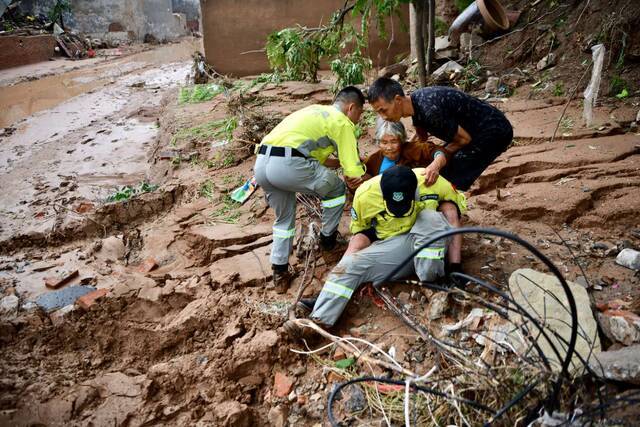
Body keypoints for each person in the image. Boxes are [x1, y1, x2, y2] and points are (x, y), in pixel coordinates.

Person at [285, 165, 465, 331]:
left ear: (416, 193)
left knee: (431, 217)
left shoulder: (431, 182)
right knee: (352, 264)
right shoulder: (366, 195)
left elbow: (453, 215)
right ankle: (319, 321)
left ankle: (432, 279)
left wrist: (455, 267)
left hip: (432, 240)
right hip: (397, 245)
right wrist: (345, 267)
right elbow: (361, 236)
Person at [367, 77, 514, 274]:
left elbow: (464, 139)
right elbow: (421, 137)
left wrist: (436, 163)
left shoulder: (430, 110)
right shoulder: (415, 104)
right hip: (475, 127)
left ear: (398, 100)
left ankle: (450, 248)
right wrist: (401, 147)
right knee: (439, 167)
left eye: (383, 110)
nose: (383, 116)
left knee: (447, 178)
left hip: (491, 132)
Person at [254, 86, 367, 293]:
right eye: (360, 113)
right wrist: (362, 182)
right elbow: (352, 173)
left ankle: (279, 272)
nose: (358, 119)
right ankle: (328, 243)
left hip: (262, 164)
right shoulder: (342, 122)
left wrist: (342, 162)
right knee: (336, 190)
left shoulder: (313, 111)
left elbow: (315, 159)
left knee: (284, 220)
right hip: (290, 166)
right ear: (351, 108)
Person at [363, 118, 450, 178]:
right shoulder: (373, 160)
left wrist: (435, 165)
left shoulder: (412, 149)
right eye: (384, 142)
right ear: (379, 143)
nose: (389, 147)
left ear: (401, 140)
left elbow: (438, 151)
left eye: (393, 142)